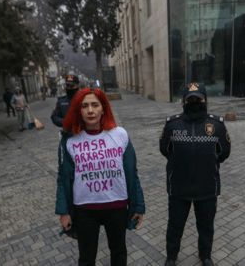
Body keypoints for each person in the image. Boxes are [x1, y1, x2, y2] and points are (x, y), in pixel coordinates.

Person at [56, 88, 145, 266]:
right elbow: (63, 179)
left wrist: (139, 205)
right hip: (85, 210)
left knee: (118, 252)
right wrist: (64, 212)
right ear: (78, 110)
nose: (90, 110)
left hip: (117, 206)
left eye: (95, 105)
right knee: (87, 257)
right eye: (85, 106)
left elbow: (131, 173)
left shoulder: (120, 135)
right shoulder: (70, 140)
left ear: (103, 108)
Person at [160, 83, 231, 266]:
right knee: (175, 226)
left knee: (206, 226)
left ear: (205, 99)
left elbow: (224, 152)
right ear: (183, 101)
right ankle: (171, 256)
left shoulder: (216, 125)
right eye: (190, 99)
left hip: (207, 187)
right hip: (178, 187)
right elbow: (164, 149)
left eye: (198, 99)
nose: (194, 102)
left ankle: (205, 255)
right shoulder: (172, 125)